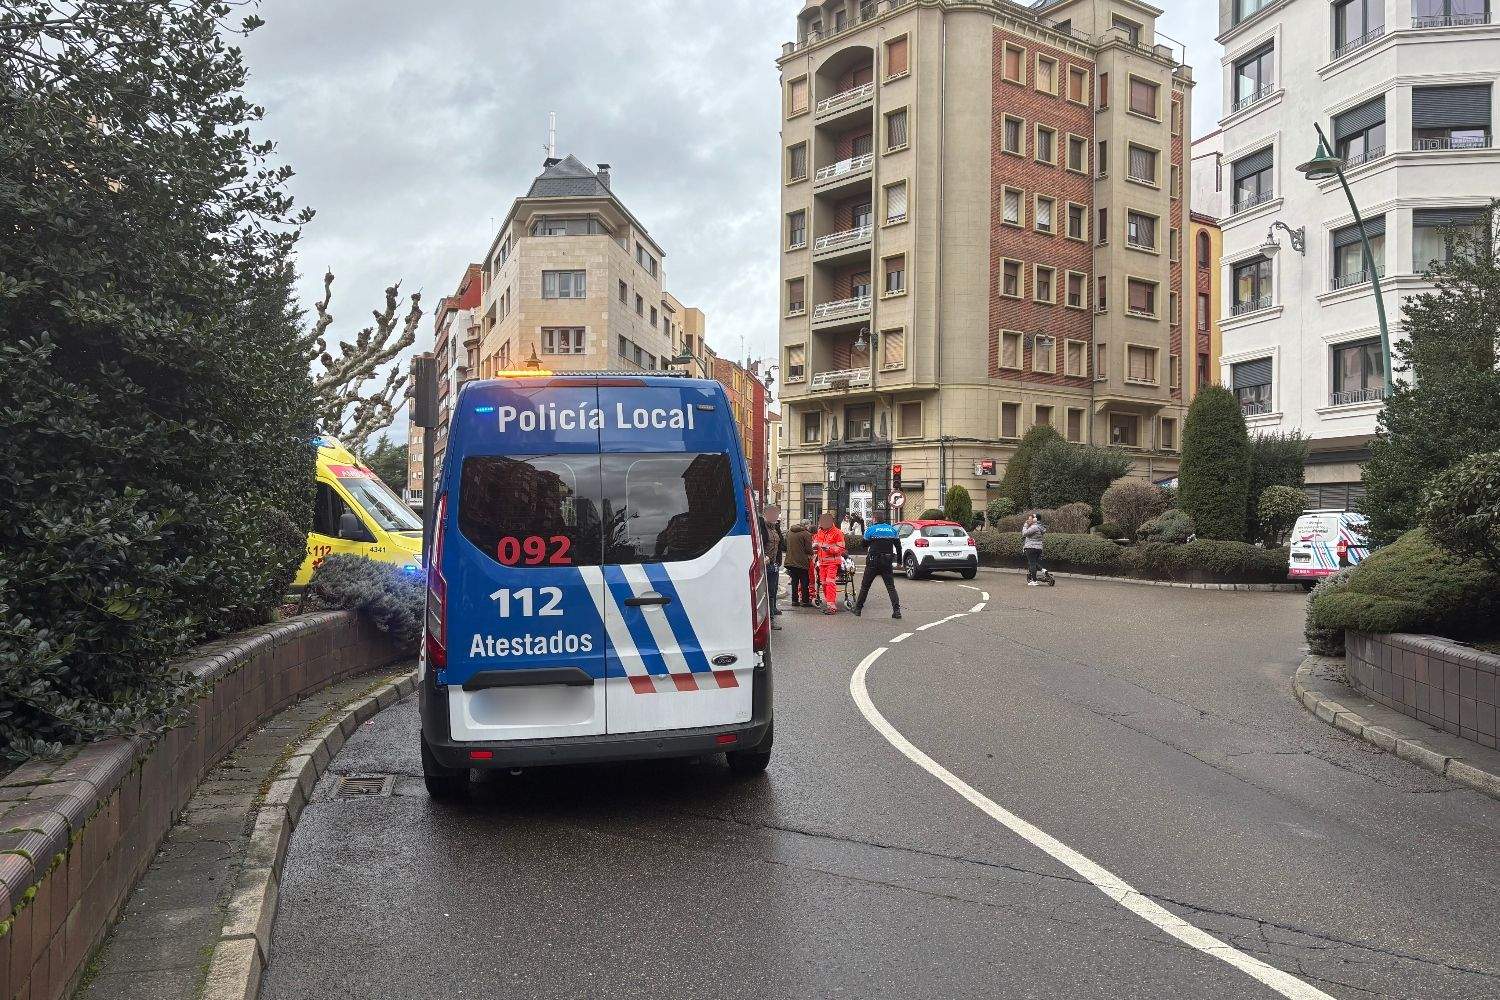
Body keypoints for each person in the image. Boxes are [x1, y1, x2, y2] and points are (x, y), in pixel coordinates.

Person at [854, 514, 902, 619]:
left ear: (874, 519)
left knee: (865, 587)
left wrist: (872, 541)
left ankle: (858, 609)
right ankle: (897, 611)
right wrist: (899, 561)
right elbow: (898, 546)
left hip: (873, 561)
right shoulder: (892, 530)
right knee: (890, 587)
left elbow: (863, 545)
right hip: (887, 561)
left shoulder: (871, 530)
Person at [810, 512, 847, 615]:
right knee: (824, 584)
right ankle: (829, 604)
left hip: (832, 562)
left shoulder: (838, 532)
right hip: (822, 563)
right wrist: (815, 547)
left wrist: (828, 549)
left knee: (830, 583)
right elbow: (816, 545)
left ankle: (831, 606)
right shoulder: (820, 532)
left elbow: (841, 548)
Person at [759, 504, 786, 629]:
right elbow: (757, 544)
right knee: (766, 594)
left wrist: (778, 561)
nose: (775, 515)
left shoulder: (775, 527)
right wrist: (762, 557)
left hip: (774, 565)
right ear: (765, 514)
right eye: (772, 513)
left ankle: (772, 611)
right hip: (763, 565)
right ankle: (769, 621)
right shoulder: (761, 526)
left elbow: (781, 545)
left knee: (773, 591)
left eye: (776, 513)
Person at [784, 520, 813, 607]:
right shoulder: (806, 534)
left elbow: (785, 545)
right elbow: (808, 549)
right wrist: (812, 553)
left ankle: (794, 601)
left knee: (794, 582)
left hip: (790, 561)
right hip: (802, 561)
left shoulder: (789, 532)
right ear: (806, 525)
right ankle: (805, 601)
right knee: (804, 582)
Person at [1022, 511, 1048, 586]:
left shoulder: (1034, 527)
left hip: (1031, 547)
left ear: (1035, 519)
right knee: (1034, 563)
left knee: (1032, 564)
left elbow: (1024, 533)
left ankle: (1034, 581)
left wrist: (1025, 525)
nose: (1029, 520)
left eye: (1031, 518)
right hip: (1039, 548)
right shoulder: (1040, 527)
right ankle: (1043, 570)